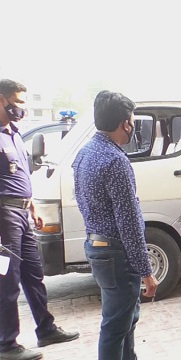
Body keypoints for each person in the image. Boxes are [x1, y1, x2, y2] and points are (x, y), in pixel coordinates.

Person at [72, 90, 159, 360]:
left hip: (97, 246)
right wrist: (147, 272)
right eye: (132, 121)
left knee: (124, 322)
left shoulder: (85, 153)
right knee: (115, 326)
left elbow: (82, 200)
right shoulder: (116, 161)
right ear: (126, 124)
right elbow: (129, 222)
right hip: (116, 254)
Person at [0, 79, 80, 360]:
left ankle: (46, 329)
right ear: (1, 100)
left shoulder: (12, 134)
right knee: (6, 279)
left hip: (22, 211)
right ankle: (6, 345)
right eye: (18, 102)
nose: (21, 108)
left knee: (34, 273)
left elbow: (19, 176)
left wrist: (31, 206)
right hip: (3, 216)